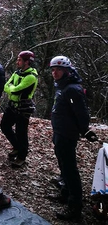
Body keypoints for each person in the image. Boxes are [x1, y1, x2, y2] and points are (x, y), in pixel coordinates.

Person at [48, 55, 98, 221]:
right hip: (59, 131)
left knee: (70, 170)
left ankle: (75, 207)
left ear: (66, 71)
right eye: (53, 69)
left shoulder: (72, 89)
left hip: (67, 134)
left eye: (58, 70)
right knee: (63, 165)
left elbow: (81, 114)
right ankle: (65, 193)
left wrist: (84, 130)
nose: (55, 73)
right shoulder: (61, 86)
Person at [0, 51, 38, 168]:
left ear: (27, 62)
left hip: (24, 108)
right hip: (12, 105)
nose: (17, 62)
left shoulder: (31, 77)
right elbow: (6, 86)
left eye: (20, 60)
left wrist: (11, 88)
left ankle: (22, 156)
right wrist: (11, 88)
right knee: (4, 126)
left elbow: (15, 89)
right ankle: (17, 146)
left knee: (21, 132)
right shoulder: (17, 73)